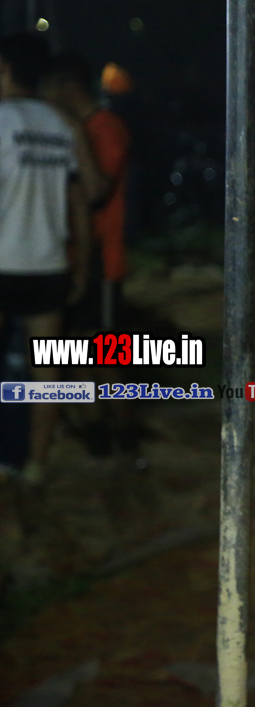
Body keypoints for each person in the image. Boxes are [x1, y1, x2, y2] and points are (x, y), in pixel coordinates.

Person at [0, 34, 91, 484]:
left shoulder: (1, 120)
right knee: (46, 371)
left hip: (3, 262)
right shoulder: (59, 124)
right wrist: (83, 267)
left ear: (4, 69)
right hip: (49, 264)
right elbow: (81, 199)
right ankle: (36, 461)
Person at [42, 52, 130, 331]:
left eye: (48, 86)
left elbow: (94, 191)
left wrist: (74, 131)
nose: (43, 96)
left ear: (68, 87)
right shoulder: (73, 129)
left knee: (102, 351)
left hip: (99, 262)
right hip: (71, 258)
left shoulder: (106, 128)